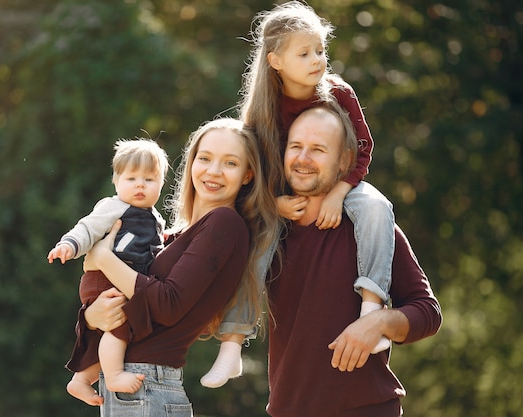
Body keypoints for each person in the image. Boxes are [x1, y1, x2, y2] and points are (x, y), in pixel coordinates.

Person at [201, 0, 395, 388]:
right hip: (282, 196)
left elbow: (363, 148)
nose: (317, 60)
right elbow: (252, 171)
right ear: (275, 61)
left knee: (377, 206)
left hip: (339, 184)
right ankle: (232, 345)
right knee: (256, 236)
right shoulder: (262, 111)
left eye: (321, 50)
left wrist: (339, 193)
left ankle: (370, 310)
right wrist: (273, 203)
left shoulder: (338, 93)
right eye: (304, 53)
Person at [79, 118, 278, 416]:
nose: (213, 171)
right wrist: (92, 317)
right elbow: (123, 301)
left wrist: (103, 258)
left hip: (148, 385)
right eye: (205, 158)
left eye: (230, 163)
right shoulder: (173, 237)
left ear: (248, 175)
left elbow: (167, 304)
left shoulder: (224, 223)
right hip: (133, 386)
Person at [267, 103, 442, 416]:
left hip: (368, 409)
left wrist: (378, 322)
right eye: (296, 147)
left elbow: (427, 312)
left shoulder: (369, 227)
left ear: (344, 160)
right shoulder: (267, 234)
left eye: (318, 149)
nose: (303, 159)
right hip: (286, 409)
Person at [47, 139, 169, 405]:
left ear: (161, 184)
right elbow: (87, 228)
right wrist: (69, 245)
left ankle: (81, 380)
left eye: (149, 179)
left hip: (124, 280)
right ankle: (112, 376)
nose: (140, 184)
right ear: (116, 181)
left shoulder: (156, 219)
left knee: (120, 329)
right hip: (104, 277)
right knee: (119, 326)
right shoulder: (113, 207)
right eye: (131, 178)